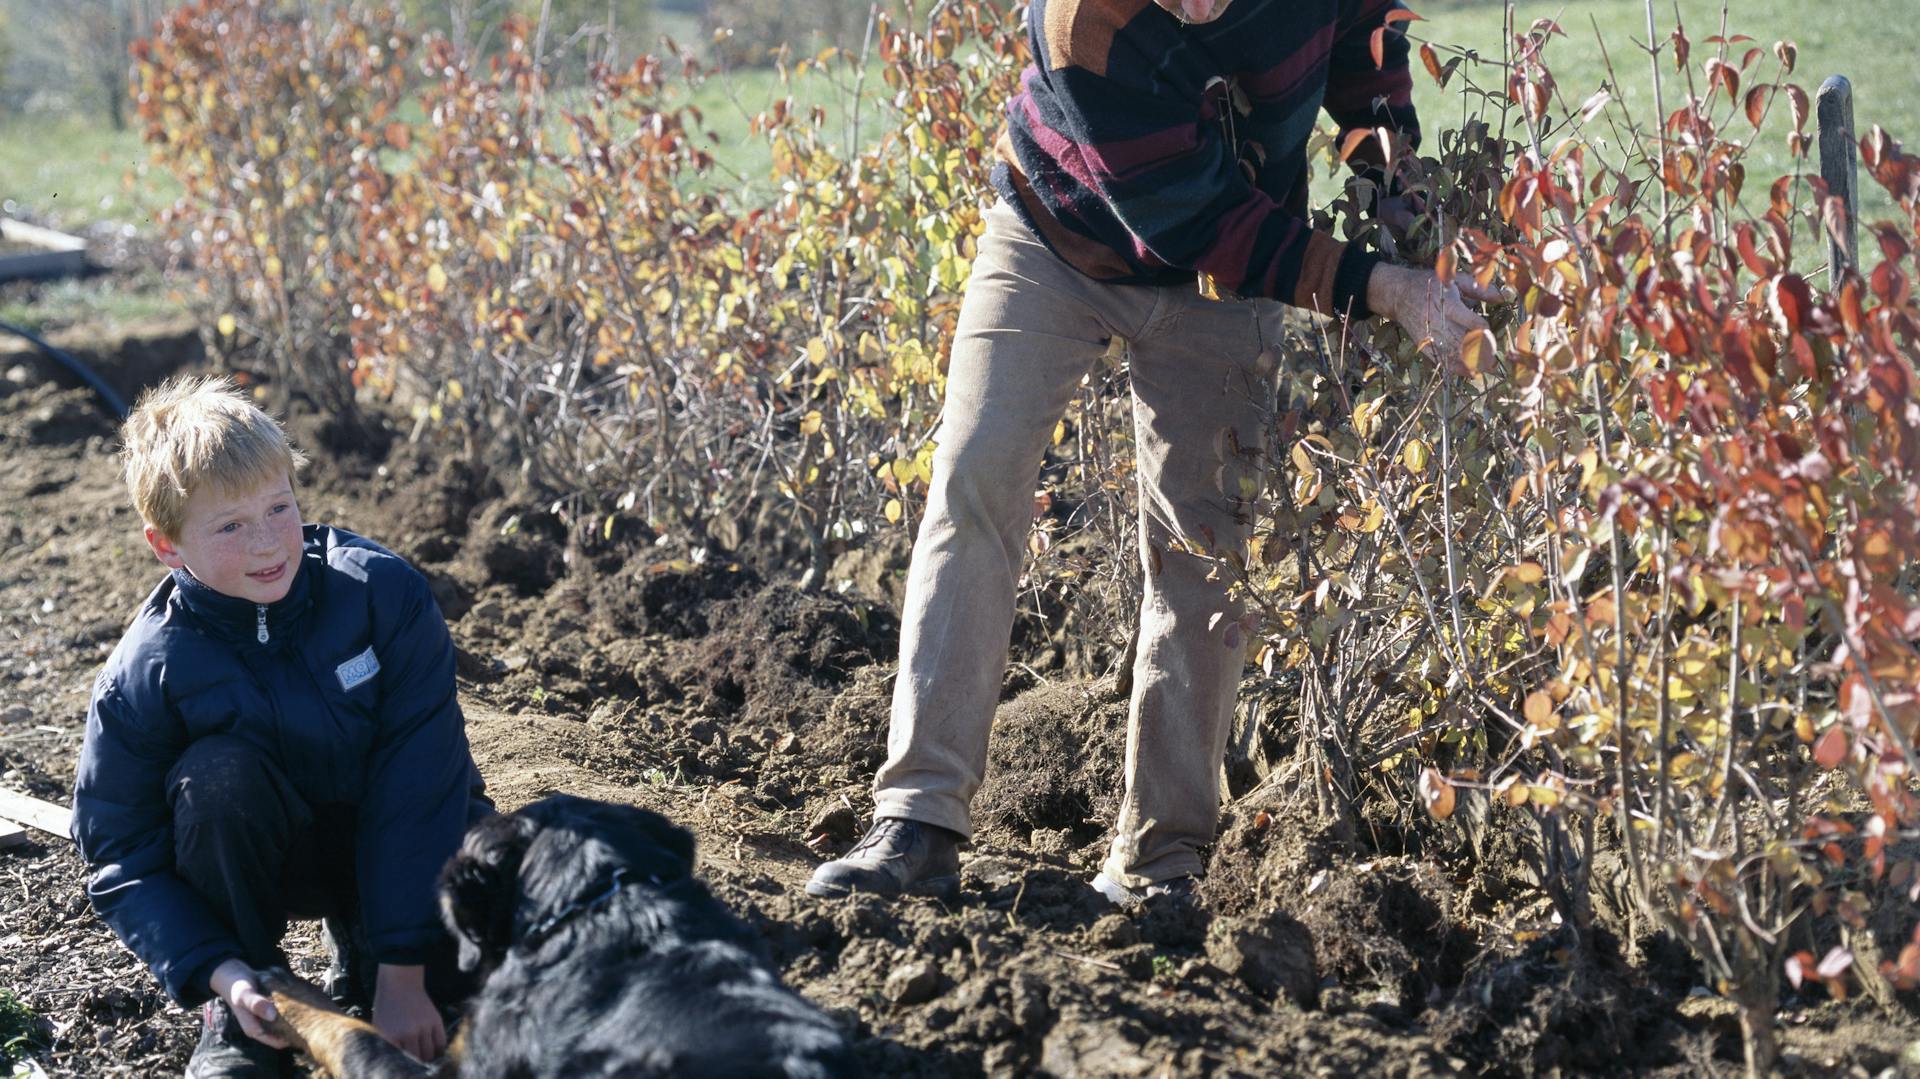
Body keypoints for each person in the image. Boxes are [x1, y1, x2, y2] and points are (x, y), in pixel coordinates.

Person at [808, 0, 1499, 905]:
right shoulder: (1086, 18)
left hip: (1230, 266)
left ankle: (1160, 863)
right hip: (1059, 239)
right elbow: (1196, 224)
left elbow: (1363, 47)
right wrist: (1385, 286)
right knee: (978, 476)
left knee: (1204, 552)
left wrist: (1407, 196)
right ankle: (919, 820)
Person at [69, 375, 491, 1078]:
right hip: (266, 858)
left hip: (398, 839)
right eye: (230, 525)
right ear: (166, 545)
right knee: (214, 779)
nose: (268, 543)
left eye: (279, 506)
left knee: (495, 982)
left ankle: (368, 947)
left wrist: (402, 970)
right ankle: (249, 1005)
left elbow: (420, 784)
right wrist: (221, 968)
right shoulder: (146, 672)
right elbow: (120, 853)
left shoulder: (382, 596)